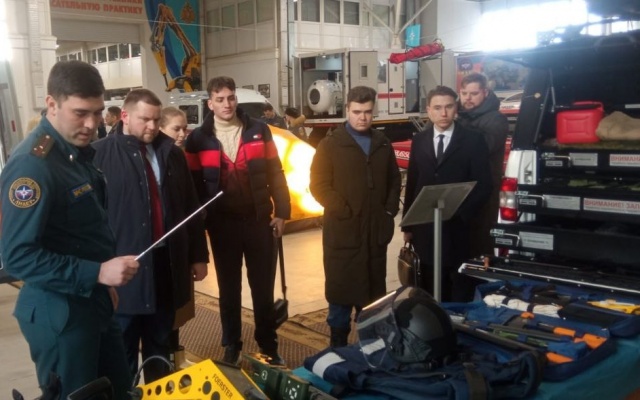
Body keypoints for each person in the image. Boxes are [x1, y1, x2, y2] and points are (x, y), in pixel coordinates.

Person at [0, 60, 139, 399]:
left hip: (91, 300)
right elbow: (17, 256)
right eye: (80, 113)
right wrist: (97, 273)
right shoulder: (33, 166)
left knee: (118, 391)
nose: (91, 124)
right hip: (60, 313)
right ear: (52, 104)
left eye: (97, 112)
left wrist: (100, 283)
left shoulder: (74, 156)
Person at [92, 89, 209, 383]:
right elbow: (90, 221)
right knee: (122, 355)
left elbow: (190, 208)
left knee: (160, 349)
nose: (153, 126)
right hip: (124, 272)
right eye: (145, 119)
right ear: (125, 116)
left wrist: (198, 256)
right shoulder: (99, 156)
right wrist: (97, 269)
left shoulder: (172, 154)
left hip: (165, 266)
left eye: (156, 120)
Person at [184, 76, 291, 366]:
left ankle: (268, 345)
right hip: (222, 226)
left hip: (258, 222)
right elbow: (193, 187)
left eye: (230, 97)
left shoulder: (258, 130)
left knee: (262, 288)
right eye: (220, 99)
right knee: (229, 290)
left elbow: (275, 171)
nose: (227, 104)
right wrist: (199, 227)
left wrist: (282, 212)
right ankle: (231, 345)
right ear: (210, 103)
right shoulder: (197, 140)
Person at [310, 86, 401, 347]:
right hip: (343, 232)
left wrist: (388, 211)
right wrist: (343, 210)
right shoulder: (330, 145)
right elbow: (318, 185)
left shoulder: (382, 144)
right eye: (357, 112)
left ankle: (371, 350)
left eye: (368, 112)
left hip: (374, 233)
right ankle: (338, 348)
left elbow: (394, 180)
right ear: (347, 110)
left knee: (372, 299)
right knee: (340, 296)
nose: (363, 117)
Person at [402, 85, 492, 302]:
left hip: (458, 228)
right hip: (425, 227)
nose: (443, 113)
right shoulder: (419, 140)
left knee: (458, 285)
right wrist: (408, 224)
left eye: (448, 107)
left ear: (456, 108)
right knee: (428, 284)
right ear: (428, 110)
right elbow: (413, 182)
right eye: (437, 108)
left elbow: (483, 184)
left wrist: (460, 214)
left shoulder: (473, 140)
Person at [456, 73, 509, 258]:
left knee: (480, 245)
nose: (468, 98)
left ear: (485, 92)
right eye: (464, 93)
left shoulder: (496, 120)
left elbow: (482, 148)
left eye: (474, 93)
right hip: (460, 190)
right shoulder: (459, 116)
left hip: (484, 193)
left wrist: (455, 130)